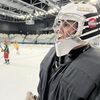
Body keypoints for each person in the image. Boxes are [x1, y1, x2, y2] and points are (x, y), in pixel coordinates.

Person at [37, 1, 100, 100]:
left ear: (86, 27)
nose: (59, 29)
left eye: (66, 24)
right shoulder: (52, 54)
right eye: (59, 23)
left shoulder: (96, 69)